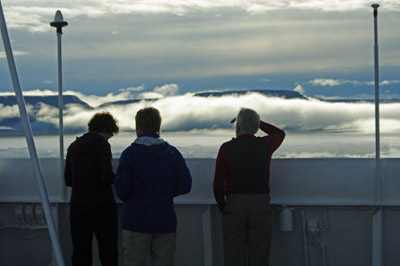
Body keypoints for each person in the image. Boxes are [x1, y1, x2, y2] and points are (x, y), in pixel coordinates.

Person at [115, 106, 192, 266]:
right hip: (165, 220)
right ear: (158, 127)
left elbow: (122, 191)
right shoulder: (172, 153)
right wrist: (166, 191)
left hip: (136, 221)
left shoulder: (130, 154)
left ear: (139, 128)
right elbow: (185, 184)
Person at [213, 107, 285, 266]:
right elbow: (280, 133)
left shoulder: (226, 148)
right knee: (259, 252)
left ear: (237, 127)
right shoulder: (265, 145)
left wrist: (223, 207)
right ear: (255, 127)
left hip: (235, 204)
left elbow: (218, 185)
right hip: (260, 204)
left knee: (233, 252)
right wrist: (258, 123)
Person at [64, 112, 120, 266]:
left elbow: (68, 180)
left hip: (78, 207)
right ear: (105, 130)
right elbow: (106, 177)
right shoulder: (103, 145)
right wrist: (120, 176)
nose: (109, 137)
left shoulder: (73, 146)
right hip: (102, 207)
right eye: (110, 134)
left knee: (80, 251)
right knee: (108, 251)